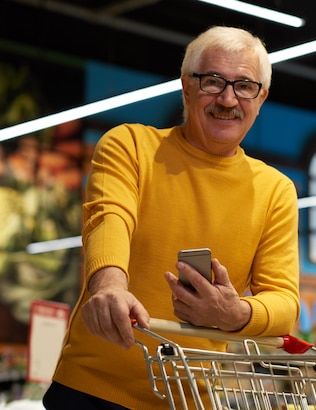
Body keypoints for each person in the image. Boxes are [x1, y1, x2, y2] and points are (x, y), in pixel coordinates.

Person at [43, 26, 301, 409]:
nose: (228, 98)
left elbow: (284, 301)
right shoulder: (129, 144)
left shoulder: (276, 191)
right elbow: (109, 219)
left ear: (261, 97)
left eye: (245, 86)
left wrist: (235, 313)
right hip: (91, 389)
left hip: (185, 399)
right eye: (212, 81)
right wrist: (109, 285)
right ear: (186, 86)